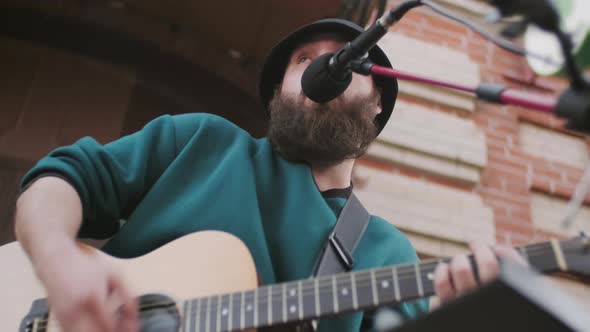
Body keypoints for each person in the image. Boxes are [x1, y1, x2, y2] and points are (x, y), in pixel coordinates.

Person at [14, 18, 524, 332]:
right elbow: (62, 179)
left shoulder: (388, 254)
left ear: (376, 109)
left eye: (353, 66)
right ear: (278, 91)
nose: (325, 67)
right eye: (306, 60)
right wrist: (60, 263)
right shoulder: (199, 140)